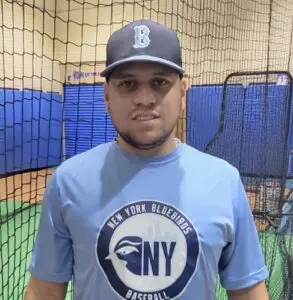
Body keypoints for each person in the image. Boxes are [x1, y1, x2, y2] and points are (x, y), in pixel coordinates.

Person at [24, 19, 269, 300]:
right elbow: (44, 290)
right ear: (106, 96)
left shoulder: (224, 180)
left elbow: (248, 289)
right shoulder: (68, 181)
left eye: (159, 82)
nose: (144, 98)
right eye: (128, 84)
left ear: (183, 92)